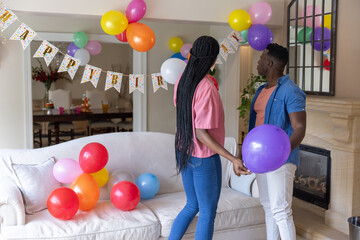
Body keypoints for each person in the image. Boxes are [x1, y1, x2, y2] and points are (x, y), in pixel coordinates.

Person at [168, 35, 249, 240]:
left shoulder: (182, 80)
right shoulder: (206, 88)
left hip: (184, 150)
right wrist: (233, 158)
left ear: (192, 54)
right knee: (207, 213)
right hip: (203, 158)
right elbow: (201, 133)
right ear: (213, 60)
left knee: (191, 205)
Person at [248, 43, 306, 240]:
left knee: (281, 210)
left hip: (281, 160)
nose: (258, 62)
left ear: (270, 63)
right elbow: (255, 125)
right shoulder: (262, 90)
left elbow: (299, 128)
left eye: (261, 59)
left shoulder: (291, 91)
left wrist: (280, 152)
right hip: (260, 159)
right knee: (267, 205)